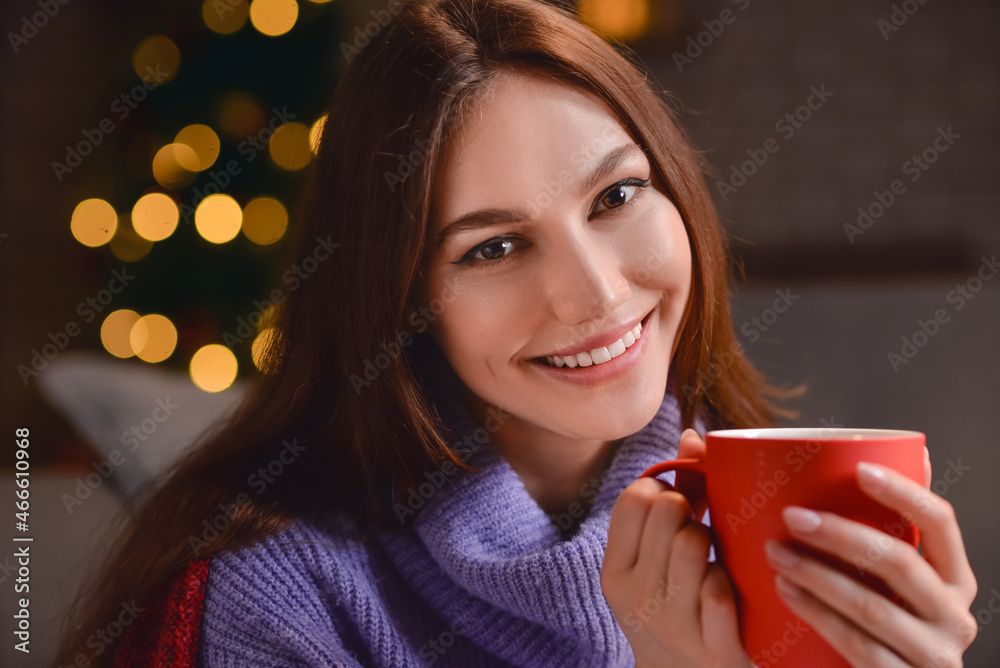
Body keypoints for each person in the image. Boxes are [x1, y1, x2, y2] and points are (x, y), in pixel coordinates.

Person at [55, 0, 978, 666]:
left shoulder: (761, 517)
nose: (594, 293)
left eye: (617, 196)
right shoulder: (279, 601)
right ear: (395, 301)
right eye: (493, 248)